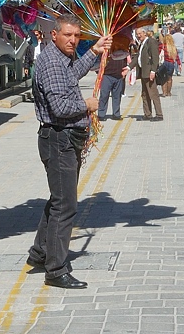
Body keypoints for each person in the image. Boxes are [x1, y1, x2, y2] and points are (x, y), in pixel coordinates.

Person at [26, 16, 112, 289]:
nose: (73, 40)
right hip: (58, 140)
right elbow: (60, 108)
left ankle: (40, 253)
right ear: (54, 35)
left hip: (63, 139)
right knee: (66, 205)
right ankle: (56, 269)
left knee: (58, 199)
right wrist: (87, 105)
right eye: (68, 35)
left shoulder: (60, 59)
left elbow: (71, 74)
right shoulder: (51, 62)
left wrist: (95, 51)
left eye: (76, 35)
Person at [97, 35, 130, 120]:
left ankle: (116, 114)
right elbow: (98, 62)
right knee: (104, 95)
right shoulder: (105, 49)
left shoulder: (122, 49)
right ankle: (101, 114)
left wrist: (124, 72)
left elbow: (125, 61)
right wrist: (99, 73)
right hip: (107, 75)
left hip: (118, 75)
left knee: (117, 96)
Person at [135, 26, 164, 120]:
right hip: (143, 72)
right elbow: (137, 57)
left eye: (140, 33)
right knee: (145, 94)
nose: (138, 36)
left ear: (145, 33)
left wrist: (153, 71)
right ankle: (147, 114)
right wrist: (128, 67)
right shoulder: (142, 43)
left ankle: (159, 114)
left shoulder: (151, 41)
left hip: (149, 72)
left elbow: (155, 57)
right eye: (137, 34)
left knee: (153, 93)